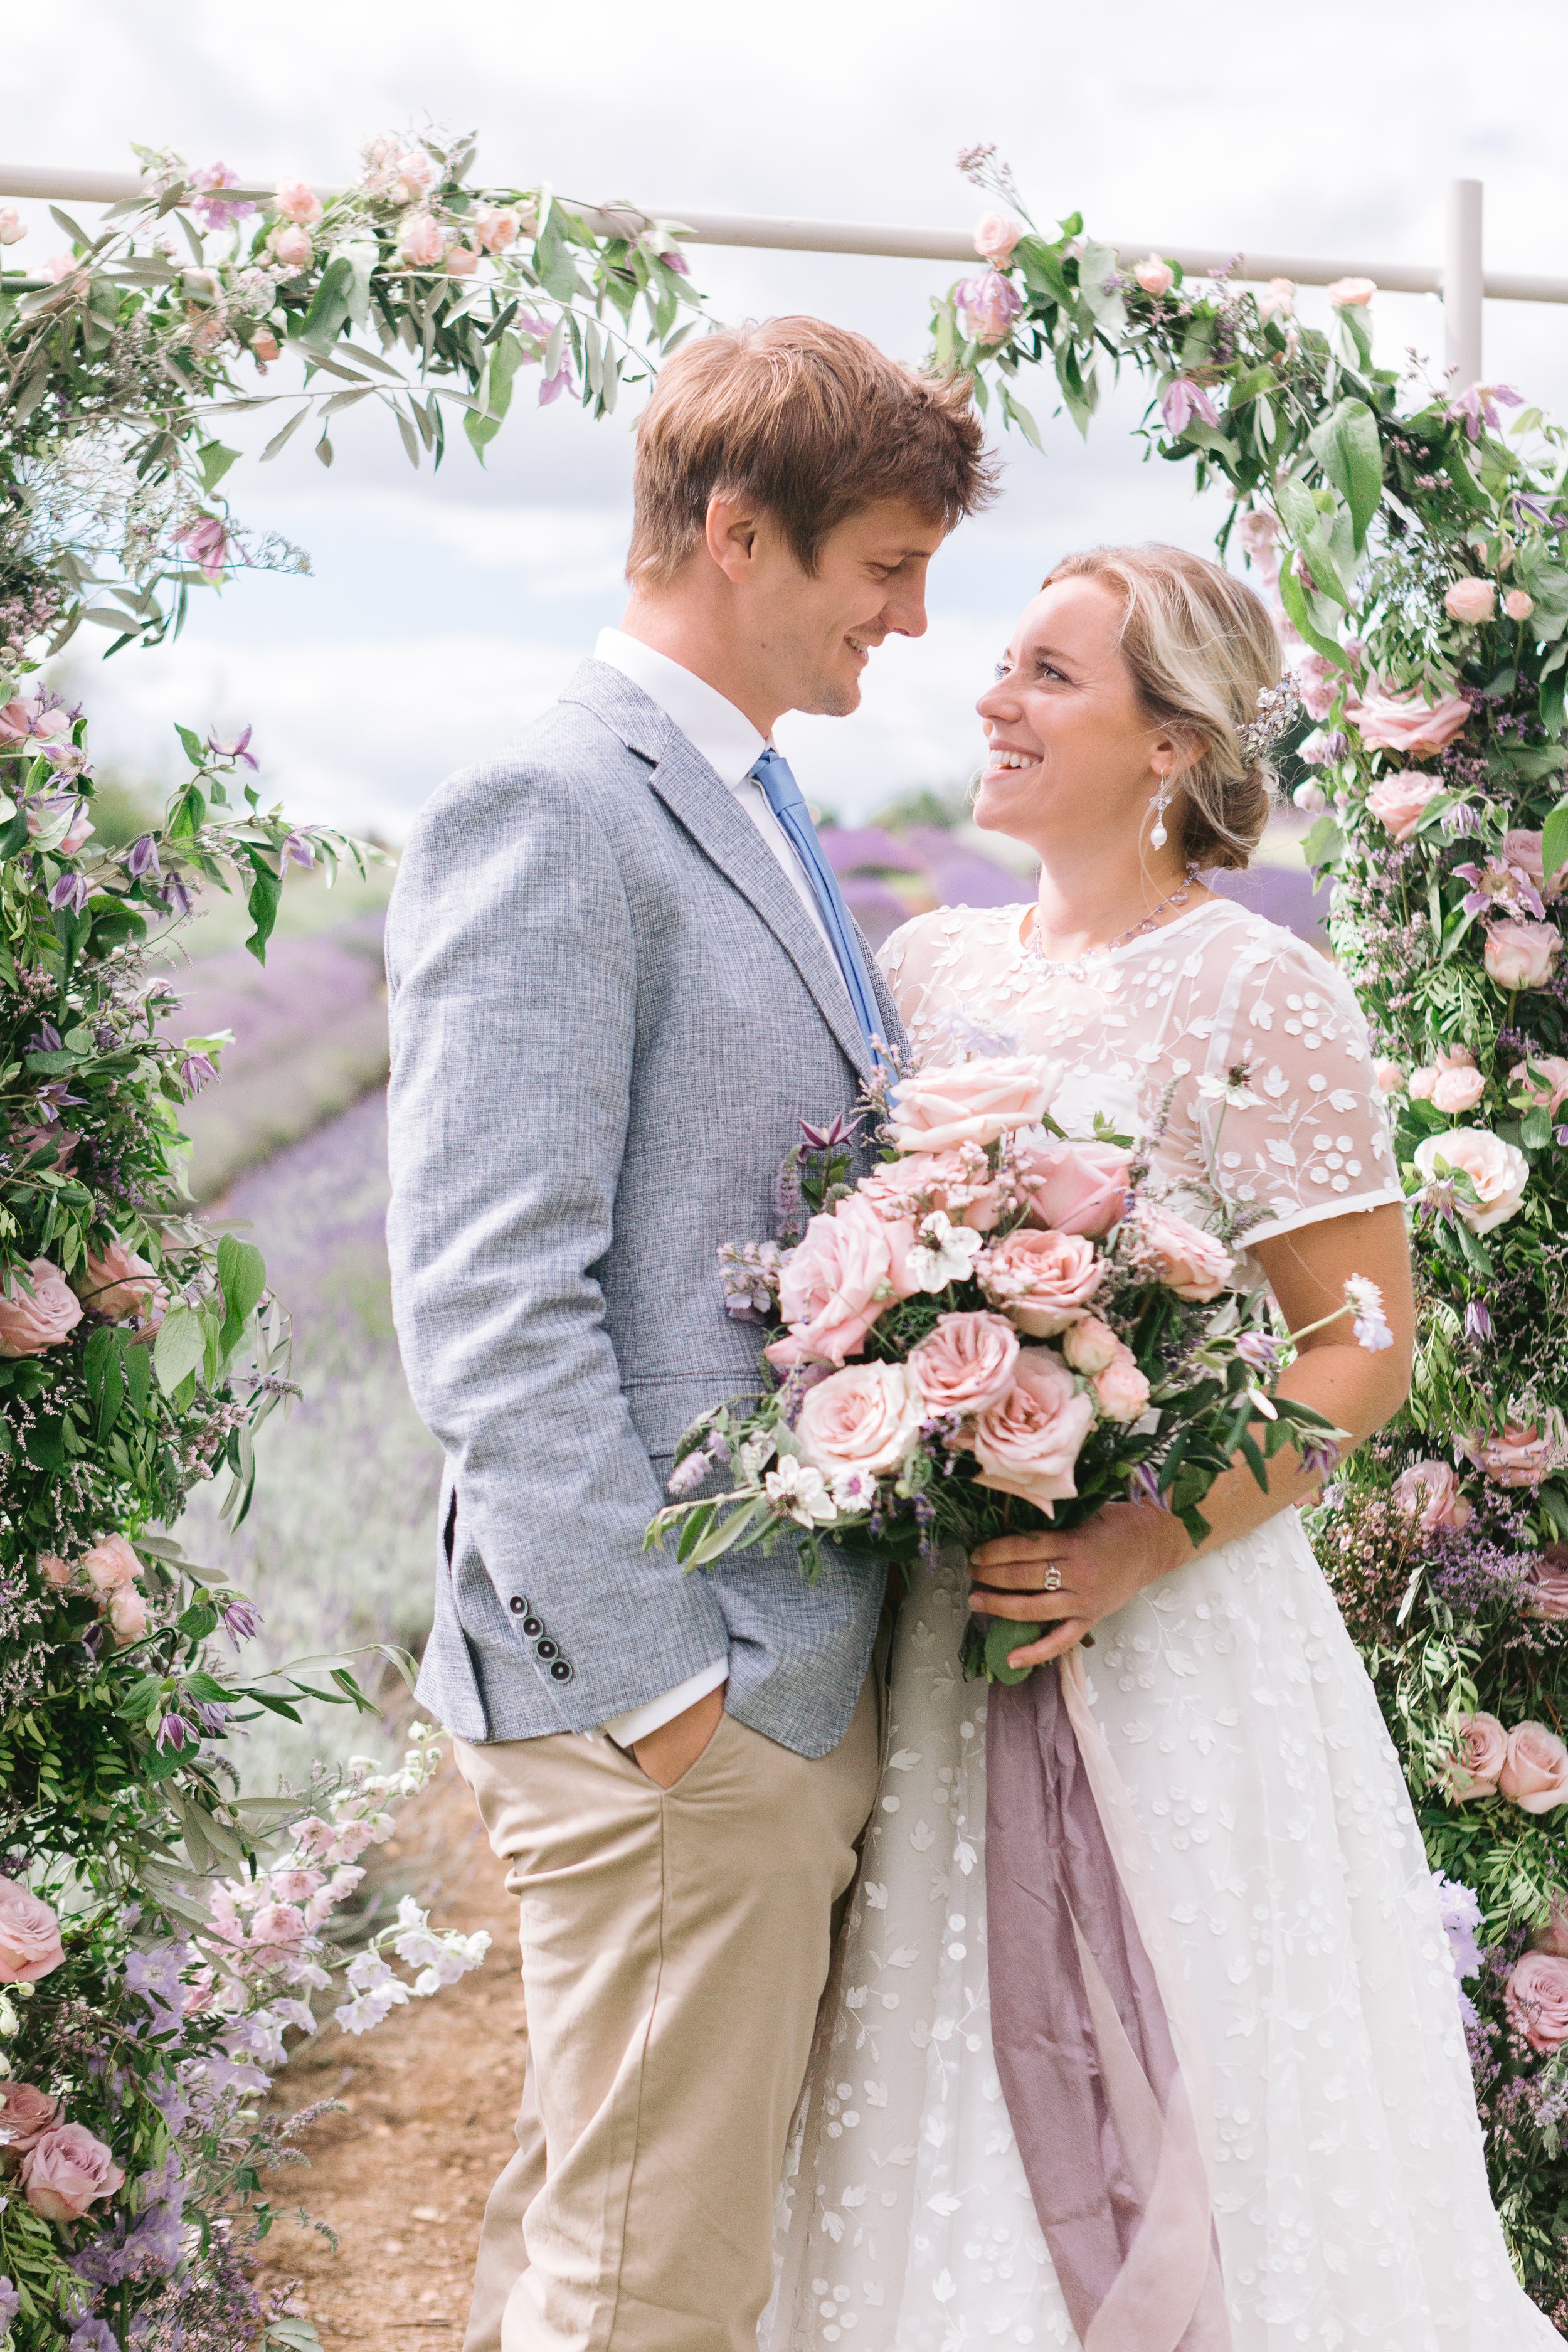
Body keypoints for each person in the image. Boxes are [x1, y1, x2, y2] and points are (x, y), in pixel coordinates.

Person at [768, 544, 1559, 2348]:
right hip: (937, 1631)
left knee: (1213, 2068)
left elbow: (1358, 1347)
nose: (991, 698)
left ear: (1170, 744)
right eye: (1002, 662)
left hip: (1170, 1632)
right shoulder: (921, 960)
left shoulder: (1253, 990)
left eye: (1048, 674)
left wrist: (1140, 1538)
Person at [383, 317, 994, 2352]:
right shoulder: (553, 799)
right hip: (675, 1692)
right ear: (740, 533)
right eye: (882, 568)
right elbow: (487, 1294)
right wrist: (664, 1689)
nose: (913, 621)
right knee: (654, 2287)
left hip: (759, 1680)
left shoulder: (745, 796)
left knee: (609, 2225)